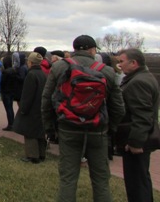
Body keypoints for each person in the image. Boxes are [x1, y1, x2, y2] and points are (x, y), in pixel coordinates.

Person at [41, 34, 125, 201]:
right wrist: (111, 128)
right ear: (93, 50)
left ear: (74, 50)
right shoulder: (106, 71)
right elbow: (118, 107)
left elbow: (47, 99)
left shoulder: (59, 68)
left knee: (68, 179)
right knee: (101, 180)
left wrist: (50, 128)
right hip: (98, 129)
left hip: (68, 127)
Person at [115, 48, 159, 202]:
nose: (119, 65)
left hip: (136, 142)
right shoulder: (142, 77)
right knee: (140, 180)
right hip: (137, 139)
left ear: (134, 63)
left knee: (137, 184)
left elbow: (143, 116)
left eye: (122, 62)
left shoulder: (138, 82)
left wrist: (135, 142)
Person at [13, 52, 47, 164]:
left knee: (30, 133)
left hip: (31, 108)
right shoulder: (43, 74)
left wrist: (23, 108)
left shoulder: (31, 75)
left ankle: (32, 155)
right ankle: (42, 153)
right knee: (40, 132)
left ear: (31, 62)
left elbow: (27, 95)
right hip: (40, 107)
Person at [0, 53, 20, 131]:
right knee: (10, 108)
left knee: (8, 109)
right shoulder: (13, 71)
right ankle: (12, 123)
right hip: (11, 92)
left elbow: (2, 82)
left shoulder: (5, 72)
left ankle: (10, 124)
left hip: (6, 92)